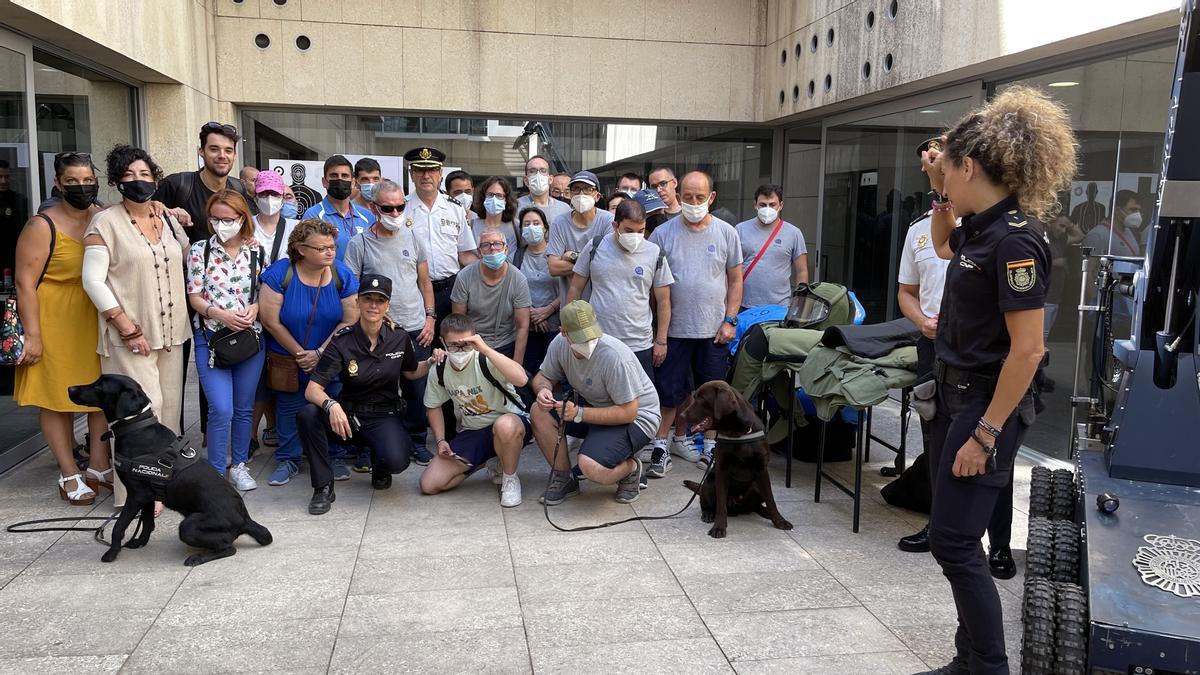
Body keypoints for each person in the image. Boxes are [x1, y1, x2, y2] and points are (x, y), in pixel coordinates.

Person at [918, 86, 1073, 675]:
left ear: (970, 164)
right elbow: (941, 243)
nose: (941, 180)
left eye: (947, 168)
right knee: (954, 538)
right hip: (955, 396)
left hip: (985, 404)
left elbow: (1029, 350)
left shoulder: (1014, 240)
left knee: (954, 542)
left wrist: (984, 434)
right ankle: (970, 660)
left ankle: (987, 666)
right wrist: (941, 198)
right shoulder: (980, 228)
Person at [82, 145, 191, 507]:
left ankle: (164, 487)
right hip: (129, 336)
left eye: (144, 174)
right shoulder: (105, 222)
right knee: (141, 417)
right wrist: (126, 326)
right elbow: (93, 281)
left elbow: (186, 256)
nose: (137, 181)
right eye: (128, 176)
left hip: (172, 332)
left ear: (156, 179)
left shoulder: (168, 220)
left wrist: (174, 213)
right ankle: (136, 496)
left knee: (170, 413)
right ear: (116, 182)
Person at [14, 152, 111, 505]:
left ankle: (99, 466)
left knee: (100, 395)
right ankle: (69, 472)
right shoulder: (41, 225)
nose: (81, 187)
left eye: (87, 180)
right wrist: (33, 334)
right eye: (72, 182)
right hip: (54, 317)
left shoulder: (102, 216)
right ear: (58, 184)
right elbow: (25, 284)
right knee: (57, 399)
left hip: (94, 316)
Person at [300, 274, 438, 514]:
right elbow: (312, 389)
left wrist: (432, 361)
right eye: (368, 299)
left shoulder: (399, 337)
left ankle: (380, 462)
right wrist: (332, 406)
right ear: (358, 302)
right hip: (348, 417)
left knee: (397, 462)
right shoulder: (342, 341)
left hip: (384, 415)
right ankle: (323, 486)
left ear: (388, 305)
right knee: (308, 415)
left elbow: (412, 372)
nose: (373, 305)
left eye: (379, 300)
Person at [646, 171, 742, 476]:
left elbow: (736, 280)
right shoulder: (662, 234)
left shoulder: (727, 233)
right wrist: (658, 333)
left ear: (711, 198)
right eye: (687, 197)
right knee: (669, 392)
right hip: (674, 330)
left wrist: (730, 320)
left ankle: (711, 447)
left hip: (714, 331)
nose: (693, 203)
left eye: (700, 198)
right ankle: (662, 445)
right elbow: (654, 287)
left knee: (713, 392)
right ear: (678, 195)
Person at [259, 218, 360, 487]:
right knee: (289, 406)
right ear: (301, 249)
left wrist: (320, 352)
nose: (330, 252)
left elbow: (350, 319)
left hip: (331, 356)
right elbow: (271, 321)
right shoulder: (280, 274)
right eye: (322, 248)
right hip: (289, 357)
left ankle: (335, 454)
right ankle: (288, 458)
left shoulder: (342, 275)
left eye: (332, 247)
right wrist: (301, 354)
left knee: (333, 402)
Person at [530, 301, 661, 505]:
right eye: (581, 337)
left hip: (639, 418)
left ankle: (631, 468)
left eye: (591, 334)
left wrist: (579, 413)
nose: (589, 340)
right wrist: (544, 390)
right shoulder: (558, 344)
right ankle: (564, 477)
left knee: (591, 467)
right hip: (595, 410)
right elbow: (541, 377)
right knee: (538, 411)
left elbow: (629, 412)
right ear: (563, 332)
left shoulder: (614, 356)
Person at [345, 179, 437, 467]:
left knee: (417, 388)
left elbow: (425, 281)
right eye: (388, 208)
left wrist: (430, 317)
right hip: (376, 330)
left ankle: (417, 440)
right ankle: (365, 446)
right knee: (370, 389)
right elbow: (350, 290)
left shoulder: (413, 238)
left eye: (400, 207)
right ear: (374, 208)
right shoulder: (359, 244)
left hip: (414, 326)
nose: (395, 213)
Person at [186, 189, 266, 490]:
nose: (222, 224)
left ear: (242, 218)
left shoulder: (255, 251)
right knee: (221, 408)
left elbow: (264, 291)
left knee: (245, 406)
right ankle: (217, 471)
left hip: (250, 338)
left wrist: (256, 307)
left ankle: (240, 464)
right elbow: (193, 297)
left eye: (228, 219)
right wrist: (220, 315)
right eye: (216, 219)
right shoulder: (199, 251)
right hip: (213, 338)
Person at [420, 314, 532, 507]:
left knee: (504, 425)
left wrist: (485, 349)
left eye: (466, 344)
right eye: (454, 345)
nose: (460, 350)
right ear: (443, 343)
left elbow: (521, 379)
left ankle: (510, 478)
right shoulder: (439, 368)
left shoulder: (486, 359)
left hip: (511, 423)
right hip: (474, 430)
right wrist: (441, 440)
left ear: (475, 339)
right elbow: (433, 406)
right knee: (430, 484)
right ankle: (488, 459)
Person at [567, 199, 672, 381]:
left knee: (639, 402)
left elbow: (664, 301)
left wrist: (661, 340)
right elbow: (575, 289)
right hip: (598, 339)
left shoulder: (654, 252)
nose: (635, 237)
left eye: (640, 231)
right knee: (596, 396)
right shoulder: (595, 247)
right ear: (615, 225)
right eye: (629, 231)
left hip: (639, 343)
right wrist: (571, 328)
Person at [248, 169, 297, 453]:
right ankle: (250, 436)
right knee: (255, 378)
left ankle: (278, 429)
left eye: (275, 194)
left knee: (283, 371)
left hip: (286, 311)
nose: (269, 199)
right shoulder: (244, 226)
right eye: (264, 194)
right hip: (249, 311)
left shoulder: (295, 227)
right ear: (255, 196)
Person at [403, 146, 478, 325]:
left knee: (451, 344)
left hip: (450, 290)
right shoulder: (401, 209)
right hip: (414, 290)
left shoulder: (455, 208)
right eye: (420, 170)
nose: (426, 176)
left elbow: (465, 253)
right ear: (412, 174)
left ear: (440, 173)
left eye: (432, 170)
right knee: (419, 345)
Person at [153, 122, 252, 243]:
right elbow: (147, 217)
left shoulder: (239, 188)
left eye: (228, 150)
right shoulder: (177, 185)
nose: (222, 155)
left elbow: (245, 230)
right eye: (214, 149)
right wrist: (165, 210)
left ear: (235, 155)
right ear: (201, 151)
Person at [451, 230, 531, 362]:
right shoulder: (465, 277)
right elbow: (459, 321)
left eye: (497, 244)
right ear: (479, 251)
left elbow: (522, 326)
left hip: (506, 344)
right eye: (486, 245)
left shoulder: (518, 280)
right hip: (473, 345)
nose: (492, 248)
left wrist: (517, 364)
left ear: (506, 249)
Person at [546, 171, 615, 305]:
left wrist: (572, 256)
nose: (581, 194)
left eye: (588, 189)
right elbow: (554, 268)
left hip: (602, 307)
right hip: (572, 308)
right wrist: (590, 260)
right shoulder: (559, 222)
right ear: (570, 194)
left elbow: (607, 265)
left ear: (597, 196)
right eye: (576, 189)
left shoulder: (608, 221)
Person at [735, 184, 808, 310]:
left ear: (781, 205)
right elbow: (730, 270)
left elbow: (802, 270)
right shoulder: (740, 230)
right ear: (755, 205)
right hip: (743, 306)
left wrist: (799, 303)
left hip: (779, 308)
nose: (767, 209)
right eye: (763, 205)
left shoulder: (794, 233)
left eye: (772, 204)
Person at [300, 155, 372, 262]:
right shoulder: (313, 216)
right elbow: (307, 257)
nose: (339, 180)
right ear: (324, 182)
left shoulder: (368, 216)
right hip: (328, 278)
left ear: (353, 182)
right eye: (334, 176)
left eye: (344, 176)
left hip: (362, 278)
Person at [516, 207, 559, 374]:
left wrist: (548, 310)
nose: (531, 227)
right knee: (530, 372)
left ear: (545, 228)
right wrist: (534, 315)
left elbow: (569, 288)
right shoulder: (516, 257)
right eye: (526, 224)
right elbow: (514, 291)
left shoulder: (556, 254)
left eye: (536, 223)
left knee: (555, 373)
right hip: (527, 326)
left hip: (555, 326)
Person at [1082, 189, 1142, 258]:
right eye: (1133, 210)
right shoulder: (1096, 236)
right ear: (1117, 210)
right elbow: (1090, 267)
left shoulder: (1127, 231)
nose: (1137, 214)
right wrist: (1113, 266)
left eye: (1138, 210)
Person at [470, 176, 520, 254]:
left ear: (506, 200)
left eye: (499, 195)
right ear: (483, 197)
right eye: (490, 194)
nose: (494, 199)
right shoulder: (472, 225)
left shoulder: (516, 226)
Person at [516, 155, 570, 223]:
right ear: (526, 181)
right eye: (532, 171)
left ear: (550, 179)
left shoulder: (564, 209)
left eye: (543, 171)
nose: (538, 175)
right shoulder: (515, 207)